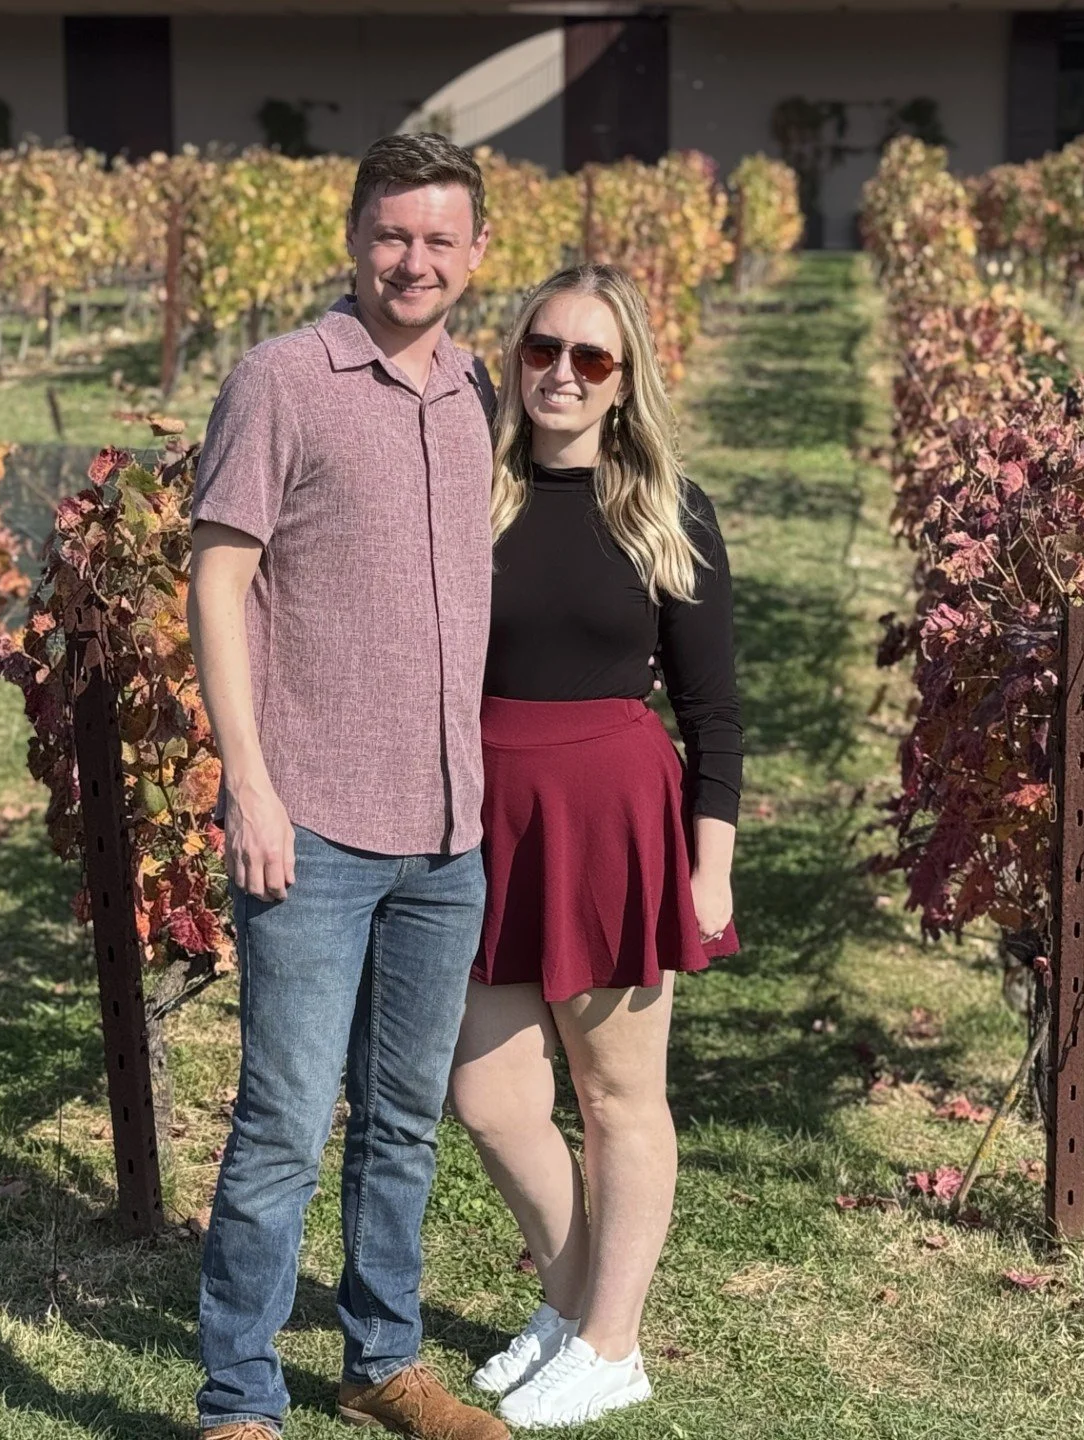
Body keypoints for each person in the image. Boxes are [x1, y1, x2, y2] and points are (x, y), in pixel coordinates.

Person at [186, 133, 508, 1440]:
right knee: (278, 1132)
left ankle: (382, 1358)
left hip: (445, 829)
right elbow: (216, 579)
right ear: (351, 238)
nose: (413, 260)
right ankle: (238, 1400)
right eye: (391, 234)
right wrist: (247, 785)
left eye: (439, 238)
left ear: (476, 257)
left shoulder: (476, 387)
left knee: (404, 1126)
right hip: (311, 818)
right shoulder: (283, 381)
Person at [447, 263, 742, 1429]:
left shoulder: (664, 506)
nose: (560, 373)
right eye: (540, 349)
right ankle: (574, 1309)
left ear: (625, 383)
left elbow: (714, 712)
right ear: (516, 357)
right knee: (489, 1094)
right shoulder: (474, 491)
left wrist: (709, 865)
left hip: (616, 817)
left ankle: (613, 1343)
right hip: (487, 815)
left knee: (619, 1097)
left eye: (591, 358)